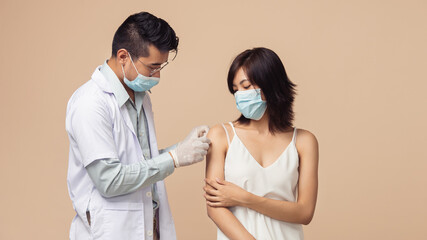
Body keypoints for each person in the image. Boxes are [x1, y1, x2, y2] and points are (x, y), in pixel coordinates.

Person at [65, 12, 210, 240]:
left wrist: (182, 149)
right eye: (152, 67)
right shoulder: (91, 103)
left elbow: (138, 162)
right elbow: (110, 180)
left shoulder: (140, 97)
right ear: (123, 56)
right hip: (112, 231)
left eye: (161, 66)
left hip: (147, 227)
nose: (158, 75)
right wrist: (173, 157)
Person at [204, 47, 319, 240]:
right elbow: (214, 209)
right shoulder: (220, 135)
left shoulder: (304, 142)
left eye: (246, 86)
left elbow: (304, 212)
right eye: (235, 90)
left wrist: (244, 198)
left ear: (270, 84)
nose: (240, 95)